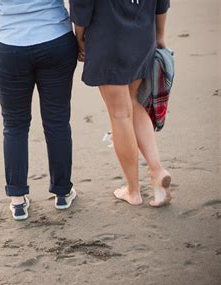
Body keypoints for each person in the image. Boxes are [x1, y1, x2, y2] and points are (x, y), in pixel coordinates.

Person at [0, 0, 78, 220]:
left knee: (14, 125)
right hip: (56, 39)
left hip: (9, 45)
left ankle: (17, 199)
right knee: (57, 121)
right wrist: (82, 35)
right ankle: (62, 192)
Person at [70, 0, 172, 207]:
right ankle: (157, 172)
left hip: (107, 37)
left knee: (120, 114)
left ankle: (133, 191)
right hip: (142, 35)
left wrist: (79, 38)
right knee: (133, 104)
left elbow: (81, 6)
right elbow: (162, 3)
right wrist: (160, 35)